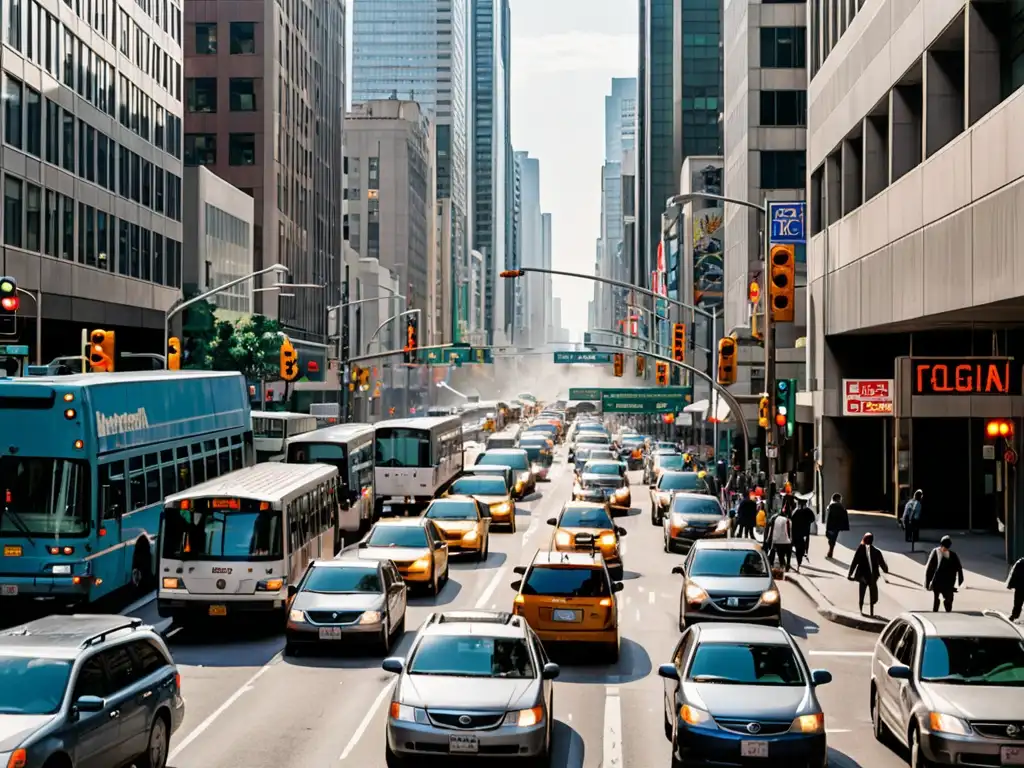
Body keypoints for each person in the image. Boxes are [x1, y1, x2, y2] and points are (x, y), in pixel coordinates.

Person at [848, 532, 888, 616]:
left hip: (863, 577)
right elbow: (883, 565)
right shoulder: (877, 552)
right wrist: (885, 569)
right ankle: (871, 612)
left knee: (862, 593)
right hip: (872, 577)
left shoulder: (860, 549)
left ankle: (861, 610)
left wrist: (850, 573)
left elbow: (854, 562)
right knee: (872, 595)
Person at [923, 535, 963, 612]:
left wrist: (960, 580)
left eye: (946, 547)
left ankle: (947, 611)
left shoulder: (953, 555)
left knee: (948, 599)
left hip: (948, 582)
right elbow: (930, 568)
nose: (945, 549)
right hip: (937, 581)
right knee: (936, 598)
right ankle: (935, 612)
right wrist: (927, 582)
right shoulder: (936, 552)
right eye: (944, 546)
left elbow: (959, 568)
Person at [791, 498, 816, 570]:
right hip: (804, 532)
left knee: (798, 547)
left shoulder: (796, 511)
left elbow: (792, 520)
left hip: (797, 533)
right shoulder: (808, 511)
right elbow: (812, 519)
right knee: (802, 547)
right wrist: (807, 523)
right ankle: (800, 559)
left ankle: (799, 560)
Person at [824, 493, 849, 558]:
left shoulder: (831, 506)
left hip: (831, 526)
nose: (841, 500)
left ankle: (830, 551)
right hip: (836, 527)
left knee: (831, 539)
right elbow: (844, 516)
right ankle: (830, 551)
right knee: (833, 539)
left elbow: (828, 517)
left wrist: (827, 527)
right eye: (840, 499)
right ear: (838, 499)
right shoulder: (841, 506)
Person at [1007, 557, 1024, 621]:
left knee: (1018, 602)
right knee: (1018, 602)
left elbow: (1014, 575)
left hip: (1020, 587)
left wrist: (1010, 585)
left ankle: (1014, 615)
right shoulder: (1020, 563)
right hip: (1020, 586)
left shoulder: (1020, 563)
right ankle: (1014, 615)